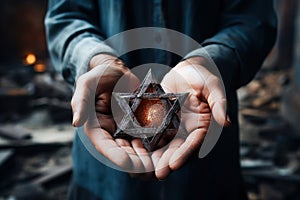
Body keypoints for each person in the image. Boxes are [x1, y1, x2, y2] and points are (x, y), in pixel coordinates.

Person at [45, 0, 276, 199]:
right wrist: (94, 58)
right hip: (104, 164)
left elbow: (253, 20)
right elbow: (65, 17)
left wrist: (211, 61)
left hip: (205, 151)